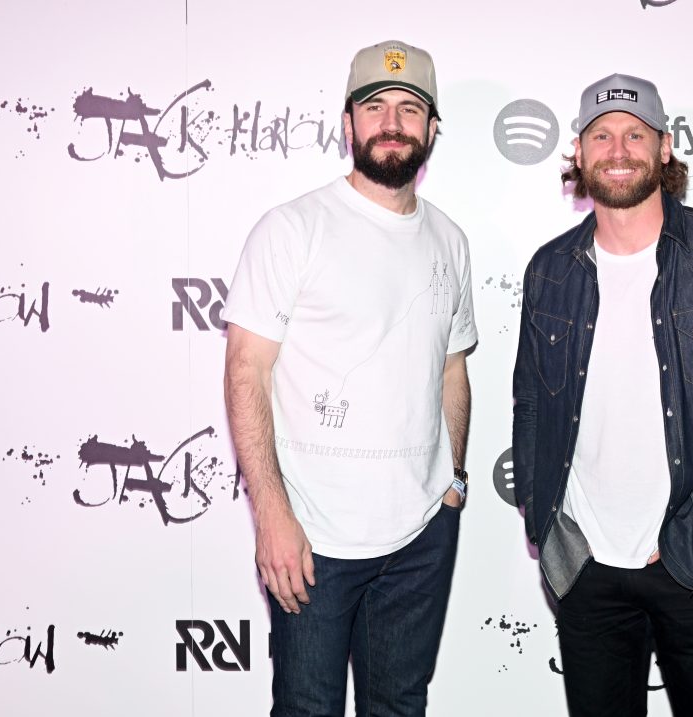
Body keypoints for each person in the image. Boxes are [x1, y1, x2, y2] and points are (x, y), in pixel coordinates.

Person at [511, 73, 693, 717]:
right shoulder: (549, 271)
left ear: (665, 148)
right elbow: (531, 401)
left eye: (636, 134)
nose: (619, 149)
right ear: (580, 155)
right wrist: (543, 513)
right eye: (602, 135)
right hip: (587, 566)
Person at [223, 39, 477, 717]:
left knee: (399, 706)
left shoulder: (450, 240)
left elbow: (452, 366)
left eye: (409, 107)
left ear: (431, 130)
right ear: (347, 123)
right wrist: (271, 515)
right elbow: (246, 370)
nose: (392, 120)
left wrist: (453, 481)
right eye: (375, 106)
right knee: (307, 708)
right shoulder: (292, 228)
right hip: (315, 539)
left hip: (422, 534)